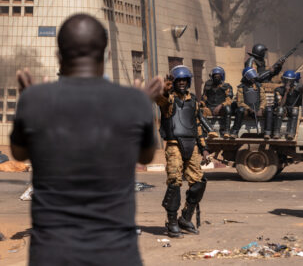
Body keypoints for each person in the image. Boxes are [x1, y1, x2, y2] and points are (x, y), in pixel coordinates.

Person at [11, 14, 160, 266]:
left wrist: (30, 102)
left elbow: (18, 153)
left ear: (59, 56)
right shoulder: (134, 102)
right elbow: (145, 157)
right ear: (107, 55)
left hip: (52, 255)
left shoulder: (35, 101)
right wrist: (142, 106)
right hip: (116, 254)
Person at [154, 65, 210, 238]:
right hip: (174, 145)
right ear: (174, 82)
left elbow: (197, 125)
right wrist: (164, 90)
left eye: (185, 80)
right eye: (179, 80)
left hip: (191, 144)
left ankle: (185, 218)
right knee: (174, 182)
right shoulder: (168, 99)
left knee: (199, 182)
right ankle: (171, 222)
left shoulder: (193, 101)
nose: (182, 83)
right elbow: (160, 100)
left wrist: (204, 148)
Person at [230, 67, 272, 138]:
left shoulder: (259, 86)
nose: (253, 79)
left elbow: (263, 100)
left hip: (258, 109)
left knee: (269, 110)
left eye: (253, 77)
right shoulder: (241, 87)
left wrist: (261, 108)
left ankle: (267, 132)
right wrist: (249, 109)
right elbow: (240, 102)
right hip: (247, 110)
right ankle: (235, 132)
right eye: (251, 78)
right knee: (240, 110)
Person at [200, 66, 234, 138]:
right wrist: (201, 103)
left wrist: (221, 105)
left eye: (218, 76)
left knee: (228, 108)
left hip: (221, 109)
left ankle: (227, 131)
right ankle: (208, 131)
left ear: (221, 77)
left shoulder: (227, 86)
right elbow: (204, 97)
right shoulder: (208, 85)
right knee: (199, 111)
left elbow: (229, 99)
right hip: (209, 108)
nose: (216, 78)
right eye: (215, 76)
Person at [272, 70, 303, 139]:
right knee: (280, 109)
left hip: (292, 111)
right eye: (286, 80)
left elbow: (301, 103)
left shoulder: (297, 91)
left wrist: (302, 93)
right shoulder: (279, 90)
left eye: (290, 81)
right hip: (283, 110)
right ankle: (276, 132)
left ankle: (291, 133)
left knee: (295, 110)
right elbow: (281, 104)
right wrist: (286, 92)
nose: (288, 83)